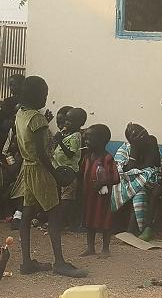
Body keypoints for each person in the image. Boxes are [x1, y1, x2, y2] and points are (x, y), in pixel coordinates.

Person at [11, 76, 86, 278]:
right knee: (54, 214)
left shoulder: (21, 113)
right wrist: (55, 174)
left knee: (27, 214)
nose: (46, 98)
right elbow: (43, 153)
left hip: (27, 168)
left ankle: (26, 262)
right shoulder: (37, 118)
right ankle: (59, 262)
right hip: (40, 169)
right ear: (35, 95)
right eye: (44, 94)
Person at [112, 123, 161, 241]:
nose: (144, 136)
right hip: (126, 182)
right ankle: (119, 227)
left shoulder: (151, 142)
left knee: (139, 192)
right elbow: (122, 171)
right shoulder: (126, 148)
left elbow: (149, 167)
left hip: (147, 182)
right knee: (120, 188)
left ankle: (133, 230)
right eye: (140, 136)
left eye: (144, 132)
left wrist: (134, 168)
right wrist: (134, 148)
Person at [79, 124, 119, 257]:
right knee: (89, 222)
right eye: (85, 138)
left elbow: (116, 178)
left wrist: (102, 182)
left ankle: (105, 249)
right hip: (89, 196)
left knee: (104, 222)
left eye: (89, 139)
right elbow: (82, 173)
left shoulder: (107, 158)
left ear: (101, 141)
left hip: (103, 198)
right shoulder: (87, 157)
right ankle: (90, 248)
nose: (86, 142)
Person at [52, 107, 87, 230]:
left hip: (69, 173)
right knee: (60, 198)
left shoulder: (76, 136)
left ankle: (62, 223)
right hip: (60, 171)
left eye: (70, 121)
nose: (66, 123)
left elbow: (70, 154)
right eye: (66, 120)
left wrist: (60, 141)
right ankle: (59, 221)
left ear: (79, 123)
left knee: (66, 199)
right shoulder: (66, 134)